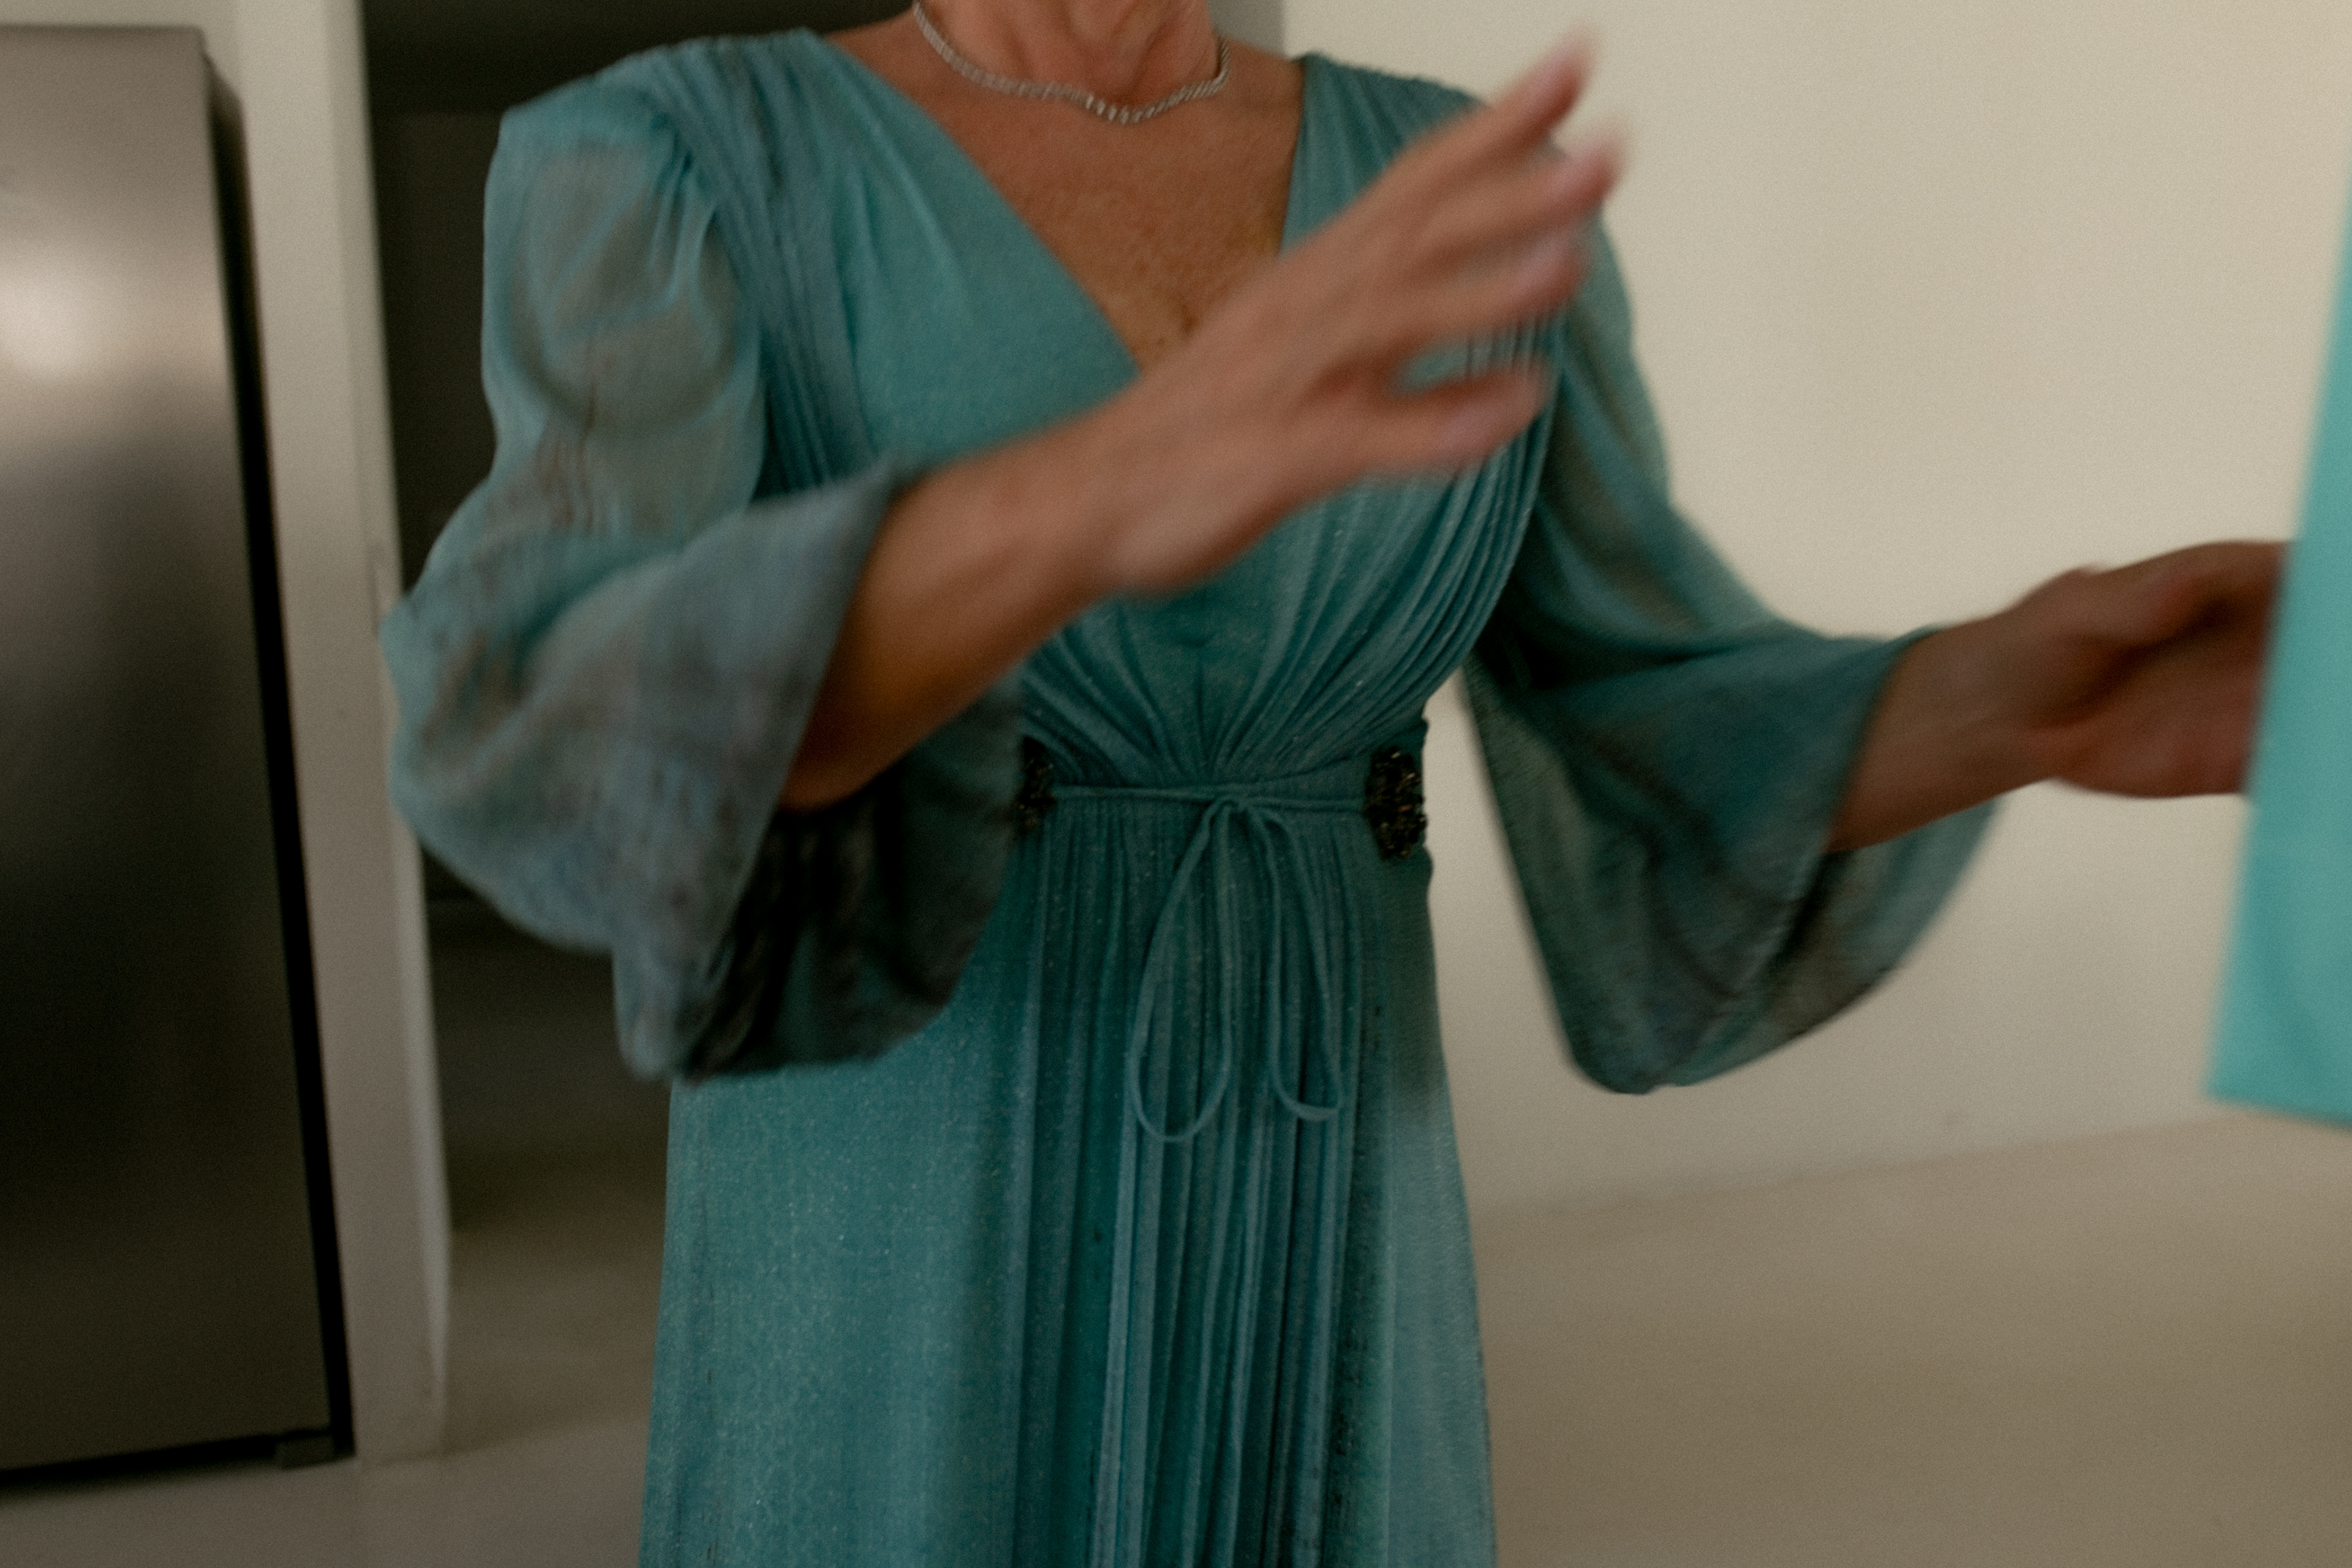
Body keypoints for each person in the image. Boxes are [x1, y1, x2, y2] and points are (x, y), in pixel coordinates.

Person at [379, 4, 2279, 1562]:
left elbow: (1655, 713)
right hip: (909, 1220)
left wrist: (2008, 704)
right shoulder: (669, 158)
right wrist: (1088, 494)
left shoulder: (1457, 185)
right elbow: (522, 708)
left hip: (1338, 1191)